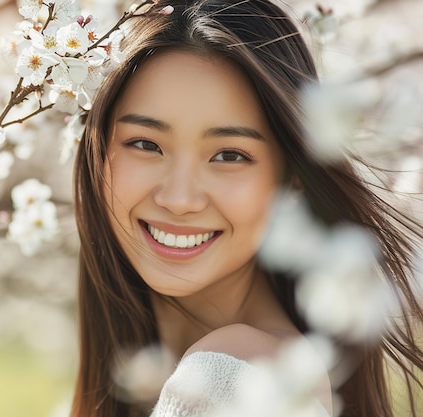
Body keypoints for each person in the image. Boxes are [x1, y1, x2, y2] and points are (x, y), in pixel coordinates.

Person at [69, 1, 423, 416]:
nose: (179, 198)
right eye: (146, 144)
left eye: (229, 155)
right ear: (98, 151)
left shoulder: (232, 377)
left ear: (292, 173)